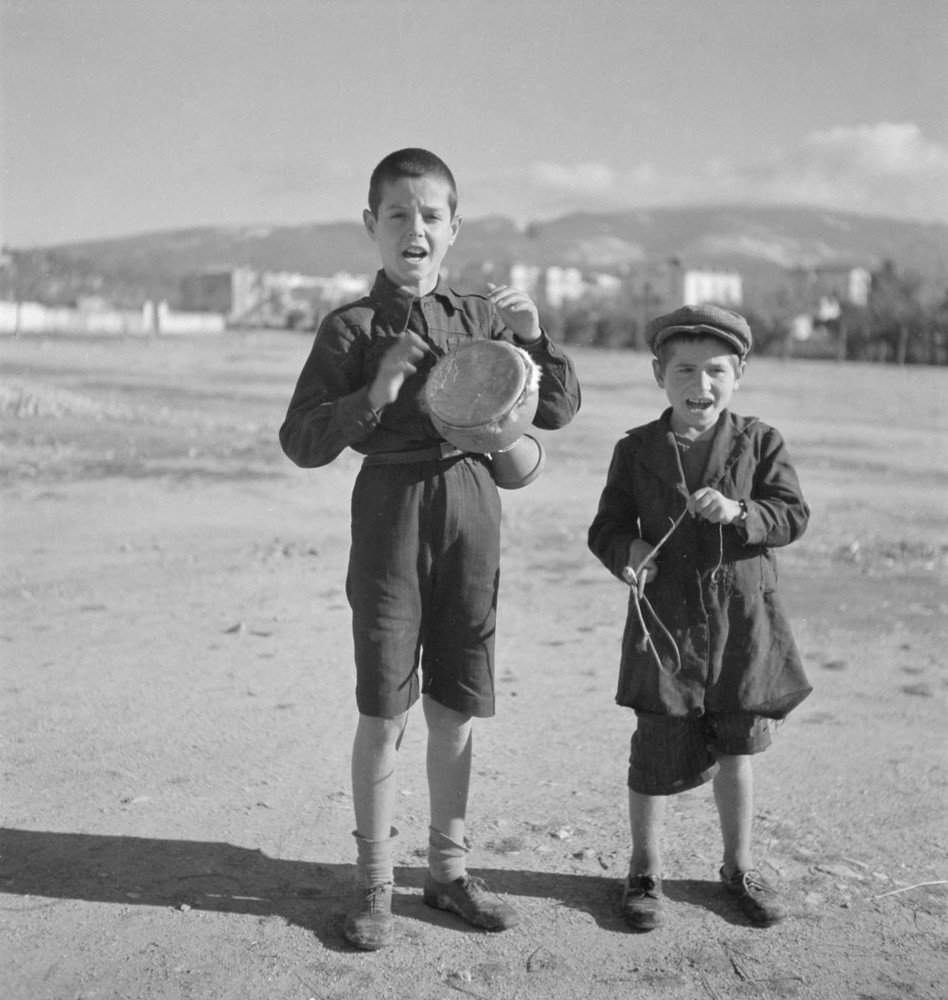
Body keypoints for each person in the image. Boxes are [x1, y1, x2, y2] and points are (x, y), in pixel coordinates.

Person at [280, 148, 581, 950]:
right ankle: (374, 886)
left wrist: (535, 336)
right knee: (384, 707)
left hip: (473, 509)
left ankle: (447, 874)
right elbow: (301, 440)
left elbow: (554, 411)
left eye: (431, 215)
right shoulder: (348, 328)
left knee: (457, 704)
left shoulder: (483, 318)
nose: (415, 228)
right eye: (398, 215)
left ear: (455, 228)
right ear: (371, 226)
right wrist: (370, 396)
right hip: (389, 515)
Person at [587, 304, 811, 931]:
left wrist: (742, 513)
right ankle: (644, 870)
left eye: (715, 371)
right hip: (666, 626)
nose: (700, 386)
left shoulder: (761, 442)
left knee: (738, 749)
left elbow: (792, 515)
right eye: (684, 371)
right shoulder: (635, 451)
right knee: (655, 748)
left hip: (743, 623)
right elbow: (607, 527)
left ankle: (738, 867)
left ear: (738, 374)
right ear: (659, 373)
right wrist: (626, 553)